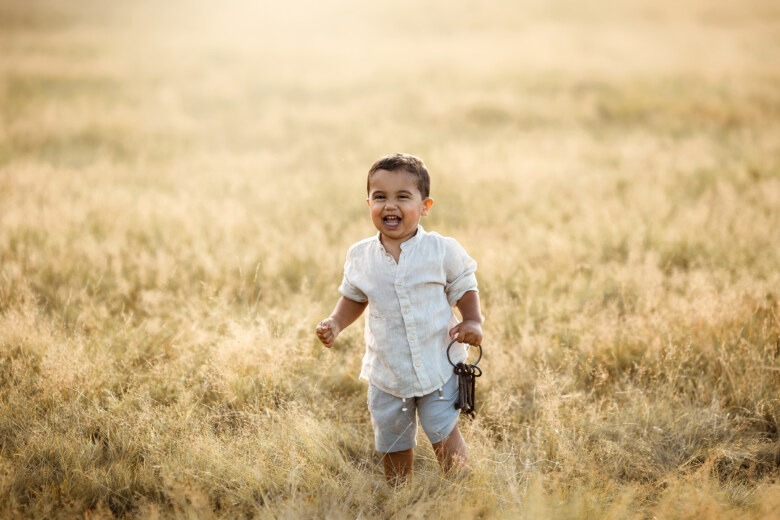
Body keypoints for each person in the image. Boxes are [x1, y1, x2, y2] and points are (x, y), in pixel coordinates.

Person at [316, 153, 483, 485]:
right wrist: (336, 322)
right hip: (388, 373)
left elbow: (464, 286)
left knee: (444, 433)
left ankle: (462, 488)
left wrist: (473, 320)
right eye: (380, 197)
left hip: (437, 365)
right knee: (392, 440)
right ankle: (399, 490)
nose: (389, 205)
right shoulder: (360, 256)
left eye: (402, 197)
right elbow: (354, 295)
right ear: (368, 204)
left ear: (425, 206)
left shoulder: (440, 250)